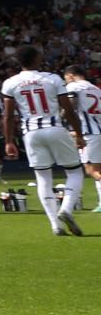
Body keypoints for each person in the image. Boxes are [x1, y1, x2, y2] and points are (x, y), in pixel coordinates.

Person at [1, 46, 86, 237]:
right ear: (37, 59)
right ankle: (66, 209)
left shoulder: (10, 83)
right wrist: (79, 134)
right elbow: (69, 110)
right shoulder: (52, 78)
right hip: (54, 127)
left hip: (31, 132)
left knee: (43, 178)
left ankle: (55, 224)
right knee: (74, 171)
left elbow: (7, 116)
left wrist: (9, 141)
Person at [62, 64, 101, 212]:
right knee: (98, 168)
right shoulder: (96, 89)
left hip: (89, 133)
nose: (65, 82)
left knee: (90, 170)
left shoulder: (74, 87)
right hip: (98, 130)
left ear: (70, 75)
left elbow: (70, 107)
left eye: (65, 78)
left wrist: (61, 119)